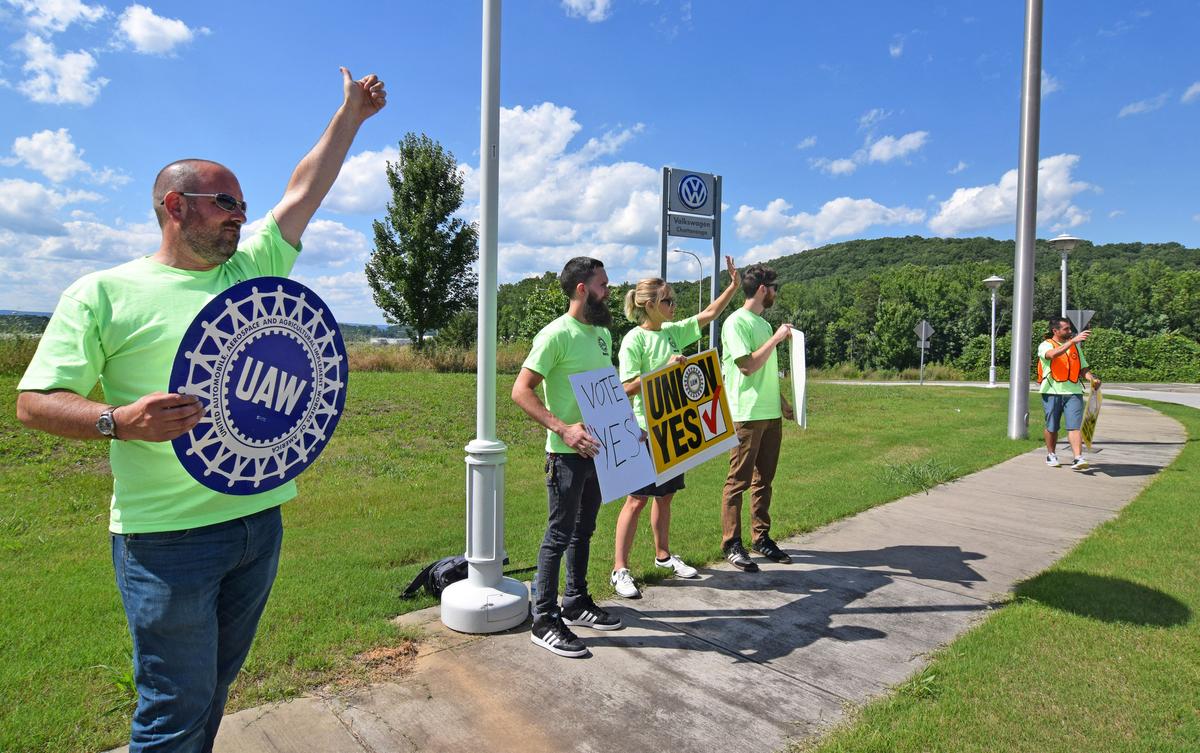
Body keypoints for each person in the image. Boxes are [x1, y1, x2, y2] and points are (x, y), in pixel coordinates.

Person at [15, 68, 386, 752]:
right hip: (166, 541)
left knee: (212, 690)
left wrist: (350, 118)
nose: (240, 214)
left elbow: (305, 187)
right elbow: (33, 403)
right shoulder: (103, 293)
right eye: (224, 201)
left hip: (256, 522)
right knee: (172, 708)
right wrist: (117, 420)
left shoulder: (251, 270)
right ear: (174, 205)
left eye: (241, 203)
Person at [608, 256, 741, 598]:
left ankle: (663, 556)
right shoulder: (633, 341)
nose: (673, 306)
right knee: (636, 500)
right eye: (667, 301)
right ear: (649, 305)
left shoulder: (670, 331)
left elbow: (709, 314)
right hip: (643, 430)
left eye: (674, 300)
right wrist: (663, 369)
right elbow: (624, 388)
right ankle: (619, 569)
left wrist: (733, 287)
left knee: (665, 496)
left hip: (672, 430)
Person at [511, 257, 623, 658]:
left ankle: (575, 601)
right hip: (566, 455)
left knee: (584, 529)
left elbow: (605, 390)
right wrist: (564, 429)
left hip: (599, 451)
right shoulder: (555, 335)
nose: (609, 291)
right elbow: (521, 391)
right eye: (603, 285)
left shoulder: (601, 336)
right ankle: (544, 619)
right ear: (582, 289)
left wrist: (627, 428)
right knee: (558, 535)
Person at [719, 263, 795, 573]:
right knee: (738, 481)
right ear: (763, 289)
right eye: (775, 287)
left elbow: (763, 371)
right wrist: (776, 339)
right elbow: (748, 365)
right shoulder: (736, 322)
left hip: (769, 414)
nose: (776, 292)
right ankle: (731, 543)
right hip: (745, 415)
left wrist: (782, 401)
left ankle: (761, 537)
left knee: (765, 480)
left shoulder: (763, 325)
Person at [1037, 317, 1101, 470]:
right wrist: (1072, 342)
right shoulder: (1045, 345)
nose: (1070, 331)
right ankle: (1051, 454)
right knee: (1052, 426)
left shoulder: (1075, 347)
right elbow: (1052, 355)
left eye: (1069, 328)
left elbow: (1082, 368)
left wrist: (1092, 378)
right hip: (1051, 392)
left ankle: (1078, 458)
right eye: (1066, 329)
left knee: (1074, 427)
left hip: (1073, 392)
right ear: (1055, 331)